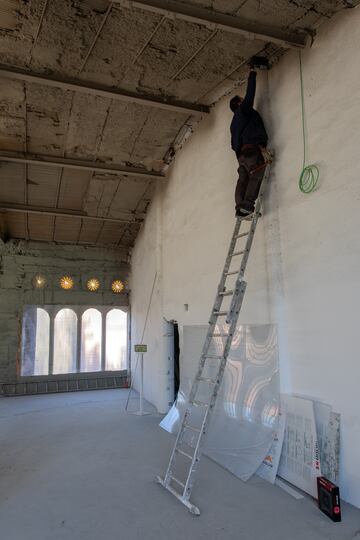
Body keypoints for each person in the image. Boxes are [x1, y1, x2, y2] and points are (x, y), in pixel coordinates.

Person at [230, 67, 269, 217]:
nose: (245, 101)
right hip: (252, 151)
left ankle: (240, 207)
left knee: (243, 179)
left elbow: (234, 145)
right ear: (239, 104)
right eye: (242, 101)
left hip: (241, 155)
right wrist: (252, 74)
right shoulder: (243, 111)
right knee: (257, 173)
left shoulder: (234, 124)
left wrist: (241, 158)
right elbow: (250, 94)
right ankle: (247, 206)